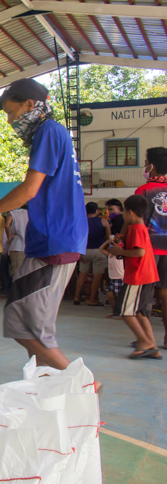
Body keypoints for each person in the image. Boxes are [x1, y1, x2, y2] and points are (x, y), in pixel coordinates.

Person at [0, 78, 89, 378]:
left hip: (55, 240)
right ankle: (47, 384)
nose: (9, 120)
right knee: (28, 321)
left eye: (10, 111)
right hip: (54, 240)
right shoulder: (55, 134)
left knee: (23, 323)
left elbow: (30, 189)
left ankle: (82, 383)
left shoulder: (48, 131)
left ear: (30, 105)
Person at [105, 195, 161, 359]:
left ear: (129, 213)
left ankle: (144, 342)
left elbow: (140, 252)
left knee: (125, 310)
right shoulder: (139, 228)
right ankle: (154, 347)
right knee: (140, 313)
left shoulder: (136, 228)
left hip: (138, 275)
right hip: (147, 274)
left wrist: (120, 252)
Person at [133, 146, 167, 349]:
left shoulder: (143, 191)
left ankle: (146, 339)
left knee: (145, 294)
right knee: (165, 293)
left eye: (146, 163)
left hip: (150, 249)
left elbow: (137, 223)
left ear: (151, 166)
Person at [73, 202, 111, 305]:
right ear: (97, 211)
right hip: (99, 251)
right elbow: (108, 238)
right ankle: (92, 300)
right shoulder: (103, 221)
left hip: (84, 251)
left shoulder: (81, 222)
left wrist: (79, 253)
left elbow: (77, 238)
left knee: (82, 275)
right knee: (97, 276)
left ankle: (76, 297)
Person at [99, 236, 124, 318]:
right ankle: (114, 311)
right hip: (112, 278)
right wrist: (108, 241)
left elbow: (119, 250)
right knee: (110, 296)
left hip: (120, 278)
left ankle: (121, 313)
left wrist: (113, 242)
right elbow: (101, 249)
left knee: (120, 297)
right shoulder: (110, 255)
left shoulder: (120, 255)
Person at [6, 206, 28, 277]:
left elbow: (7, 225)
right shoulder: (28, 213)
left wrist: (9, 236)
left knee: (16, 271)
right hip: (28, 246)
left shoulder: (12, 213)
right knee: (26, 271)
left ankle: (16, 287)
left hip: (17, 246)